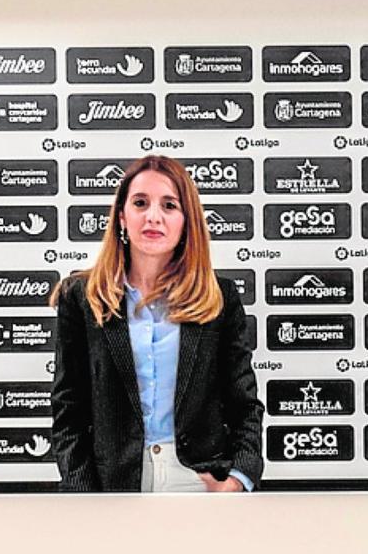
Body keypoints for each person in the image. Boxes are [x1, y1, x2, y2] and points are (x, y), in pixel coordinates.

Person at [51, 155, 263, 492]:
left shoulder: (218, 297)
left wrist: (238, 479)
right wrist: (82, 493)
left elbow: (244, 404)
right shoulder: (81, 297)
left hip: (200, 482)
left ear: (186, 220)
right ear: (122, 217)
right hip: (113, 485)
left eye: (169, 205)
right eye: (140, 203)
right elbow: (69, 411)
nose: (153, 216)